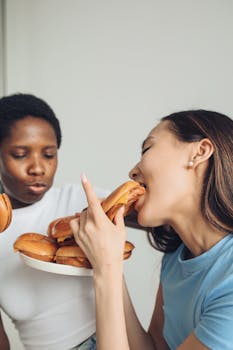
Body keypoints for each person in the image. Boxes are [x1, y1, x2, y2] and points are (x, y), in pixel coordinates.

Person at [71, 110, 233, 350]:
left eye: (147, 149)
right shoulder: (177, 256)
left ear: (199, 153)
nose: (132, 172)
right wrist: (106, 260)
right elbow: (155, 346)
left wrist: (107, 269)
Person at [0, 93, 111, 350]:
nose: (38, 168)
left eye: (49, 155)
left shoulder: (78, 201)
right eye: (19, 155)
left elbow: (158, 216)